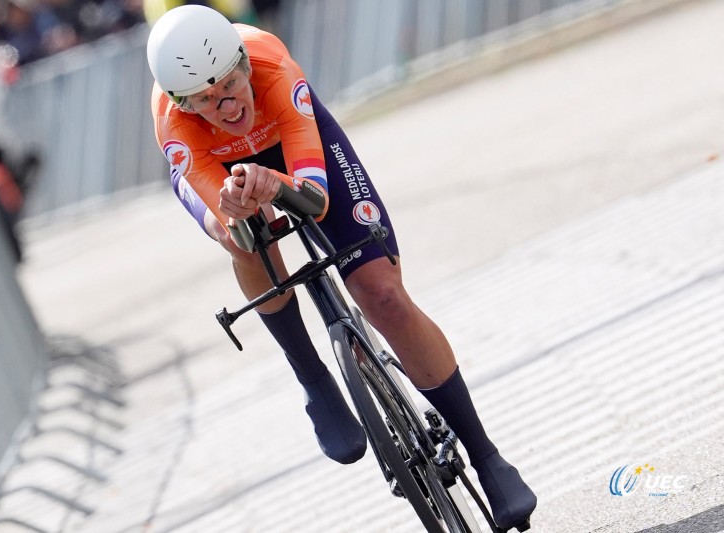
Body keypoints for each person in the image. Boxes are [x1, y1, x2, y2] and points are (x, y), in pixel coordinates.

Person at [146, 5, 537, 529]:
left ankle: (488, 457)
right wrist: (242, 207)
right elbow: (223, 224)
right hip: (221, 171)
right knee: (246, 239)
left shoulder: (274, 69)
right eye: (206, 99)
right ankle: (314, 378)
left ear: (244, 64)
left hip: (293, 144)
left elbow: (314, 198)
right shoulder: (174, 123)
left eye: (232, 84)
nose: (226, 103)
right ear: (182, 102)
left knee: (384, 295)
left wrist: (279, 186)